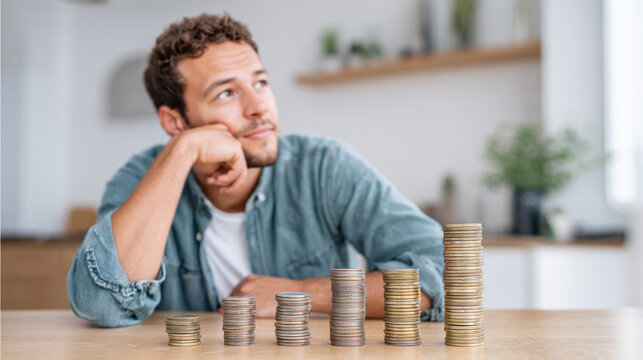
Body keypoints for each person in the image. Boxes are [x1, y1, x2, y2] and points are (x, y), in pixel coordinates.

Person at [67, 13, 444, 328]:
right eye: (226, 93)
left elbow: (445, 275)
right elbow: (101, 304)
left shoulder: (325, 167)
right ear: (175, 121)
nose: (258, 107)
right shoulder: (139, 178)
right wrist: (183, 151)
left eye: (260, 83)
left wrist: (303, 294)